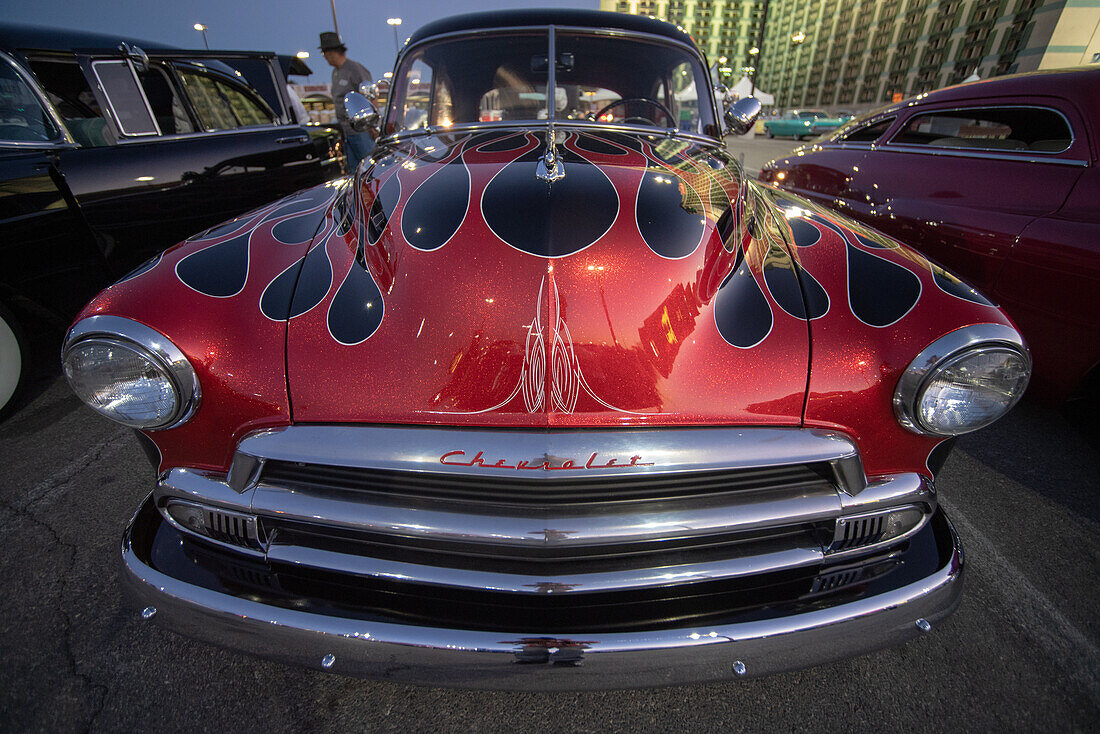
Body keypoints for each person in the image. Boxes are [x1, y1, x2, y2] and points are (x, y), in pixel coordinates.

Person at [319, 31, 374, 172]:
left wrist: (373, 126)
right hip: (347, 131)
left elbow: (370, 96)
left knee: (368, 167)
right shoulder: (335, 73)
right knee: (354, 170)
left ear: (332, 53)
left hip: (361, 131)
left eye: (325, 54)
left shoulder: (355, 69)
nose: (325, 58)